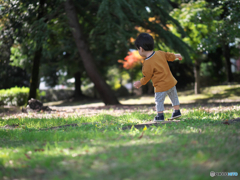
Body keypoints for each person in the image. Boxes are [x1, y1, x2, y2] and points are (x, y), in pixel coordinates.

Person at [133, 33, 182, 121]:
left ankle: (160, 115)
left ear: (141, 48)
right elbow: (169, 56)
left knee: (159, 101)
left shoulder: (147, 63)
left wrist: (140, 83)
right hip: (171, 82)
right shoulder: (160, 53)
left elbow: (147, 77)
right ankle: (177, 111)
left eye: (138, 49)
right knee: (174, 96)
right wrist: (177, 56)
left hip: (161, 86)